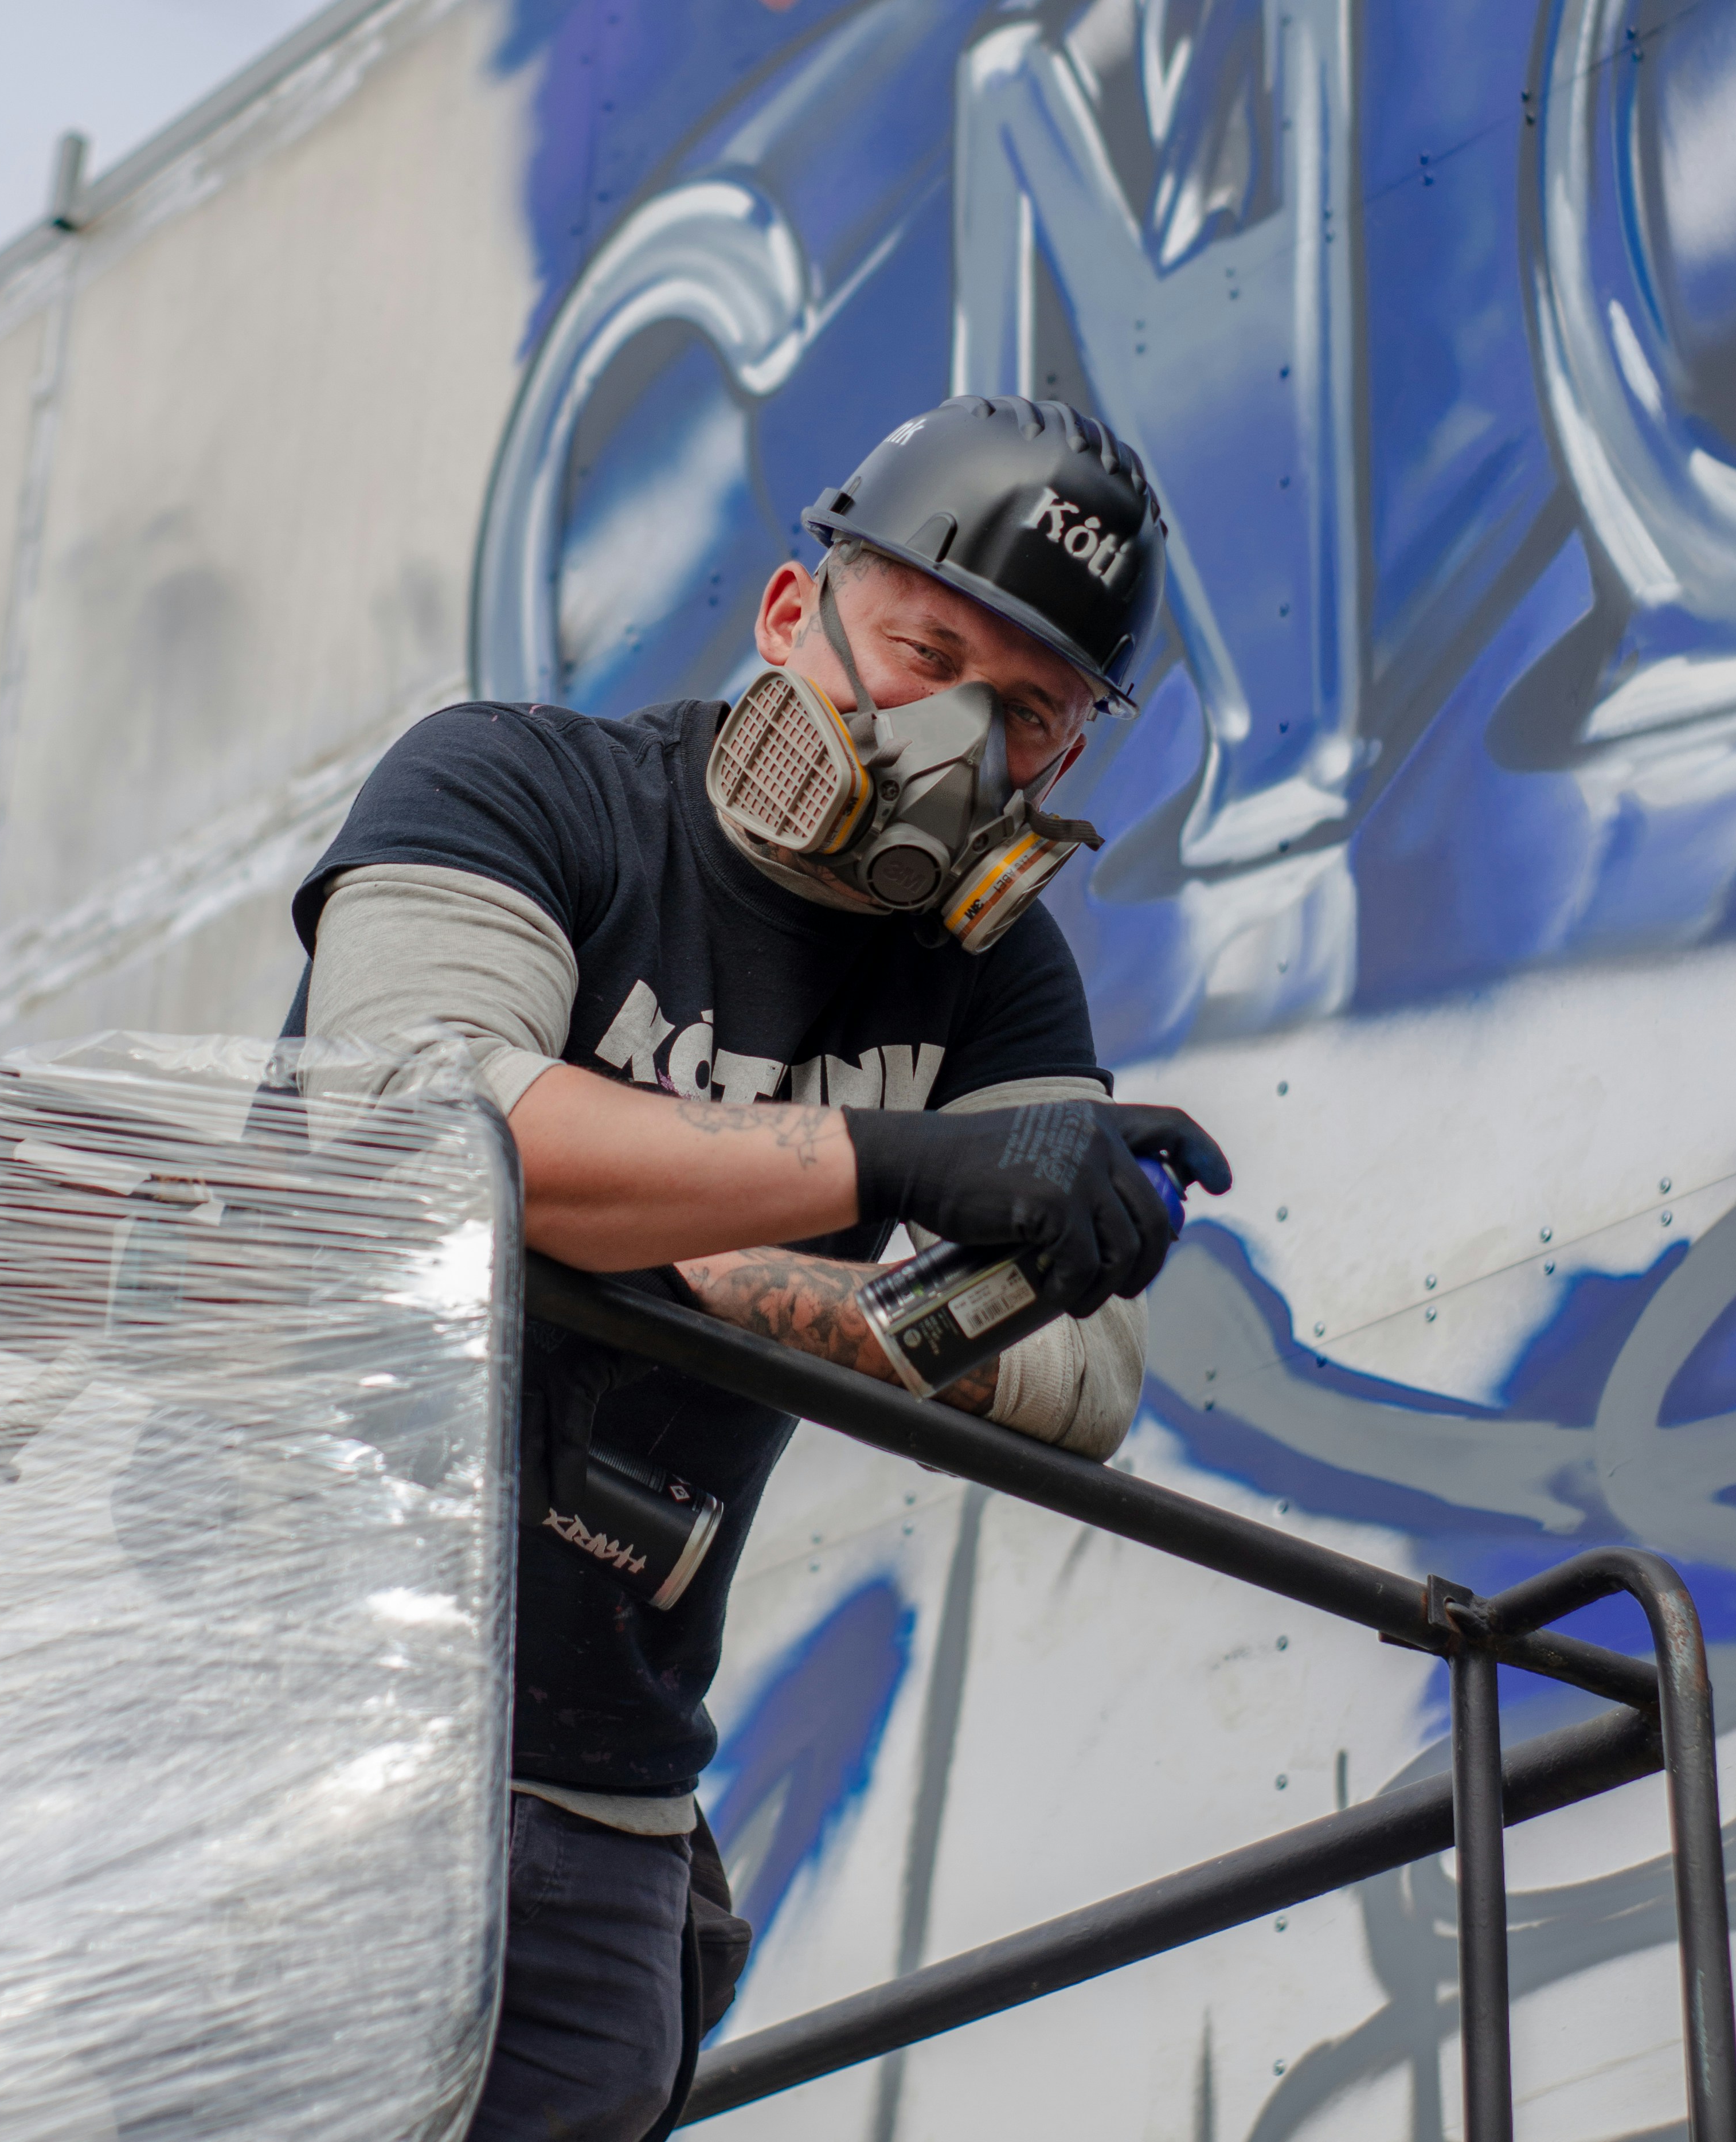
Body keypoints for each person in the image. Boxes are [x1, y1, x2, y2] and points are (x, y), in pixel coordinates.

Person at [282, 393, 1232, 2141]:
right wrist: (883, 1167)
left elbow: (1083, 1380)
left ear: (1069, 759)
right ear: (796, 619)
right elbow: (414, 1129)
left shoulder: (994, 986)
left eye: (1023, 710)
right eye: (920, 650)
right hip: (283, 1693)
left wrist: (685, 1254)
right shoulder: (510, 784)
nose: (953, 737)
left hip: (598, 1799)